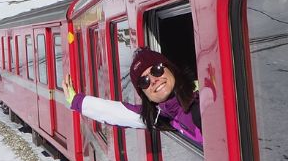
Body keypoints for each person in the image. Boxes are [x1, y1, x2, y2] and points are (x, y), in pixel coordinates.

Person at [63, 48, 202, 145]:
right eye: (144, 81)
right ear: (145, 95)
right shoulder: (163, 116)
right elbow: (119, 113)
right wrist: (78, 101)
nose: (153, 80)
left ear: (170, 68)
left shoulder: (202, 99)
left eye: (157, 70)